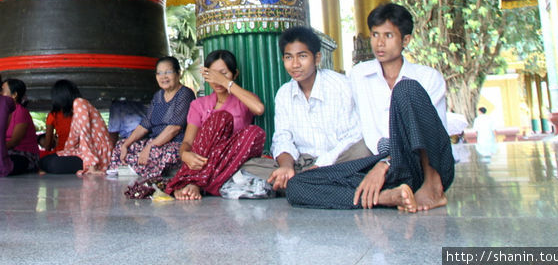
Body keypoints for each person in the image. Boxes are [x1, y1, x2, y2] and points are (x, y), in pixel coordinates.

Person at [286, 3, 454, 213]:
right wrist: (326, 163)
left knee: (406, 90)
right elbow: (353, 125)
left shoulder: (428, 77)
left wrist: (385, 164)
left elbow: (433, 137)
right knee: (298, 185)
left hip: (422, 164)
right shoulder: (359, 75)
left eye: (388, 36)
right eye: (375, 34)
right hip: (381, 165)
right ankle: (387, 197)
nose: (379, 43)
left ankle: (433, 190)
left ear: (406, 40)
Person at [239, 27, 368, 194]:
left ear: (317, 58)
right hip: (301, 163)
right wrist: (286, 166)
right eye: (288, 57)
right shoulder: (284, 94)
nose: (295, 64)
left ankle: (303, 186)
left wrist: (320, 166)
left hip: (337, 161)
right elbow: (282, 137)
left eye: (302, 56)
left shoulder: (340, 85)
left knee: (363, 150)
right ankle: (309, 184)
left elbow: (352, 137)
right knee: (249, 166)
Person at [165, 50, 266, 200]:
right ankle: (205, 184)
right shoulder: (198, 104)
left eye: (224, 73)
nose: (217, 80)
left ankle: (198, 184)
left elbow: (259, 109)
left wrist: (226, 82)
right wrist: (185, 155)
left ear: (235, 74)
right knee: (220, 119)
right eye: (213, 75)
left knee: (255, 132)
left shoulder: (243, 99)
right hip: (203, 160)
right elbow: (187, 142)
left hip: (231, 159)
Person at [109, 56, 195, 179]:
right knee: (120, 145)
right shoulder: (158, 96)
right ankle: (130, 170)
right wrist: (126, 144)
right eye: (159, 73)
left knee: (156, 153)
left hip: (176, 144)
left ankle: (135, 173)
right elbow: (146, 124)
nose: (163, 77)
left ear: (178, 74)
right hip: (155, 141)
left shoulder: (185, 94)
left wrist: (150, 147)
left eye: (168, 72)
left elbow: (174, 128)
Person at [39, 79, 112, 175]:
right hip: (85, 152)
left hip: (97, 153)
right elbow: (72, 140)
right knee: (45, 161)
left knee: (53, 164)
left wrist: (91, 164)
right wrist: (64, 154)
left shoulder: (80, 103)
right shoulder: (75, 109)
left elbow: (84, 135)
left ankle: (92, 164)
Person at [3, 78, 39, 173]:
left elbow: (14, 141)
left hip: (25, 155)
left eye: (2, 91)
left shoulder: (21, 112)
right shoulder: (3, 112)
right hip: (5, 151)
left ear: (14, 95)